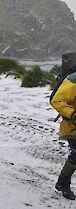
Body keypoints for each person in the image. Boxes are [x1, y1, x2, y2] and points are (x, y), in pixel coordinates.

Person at [51, 72, 76, 200]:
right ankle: (64, 183)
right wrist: (73, 114)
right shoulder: (74, 79)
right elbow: (57, 100)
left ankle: (62, 183)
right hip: (73, 127)